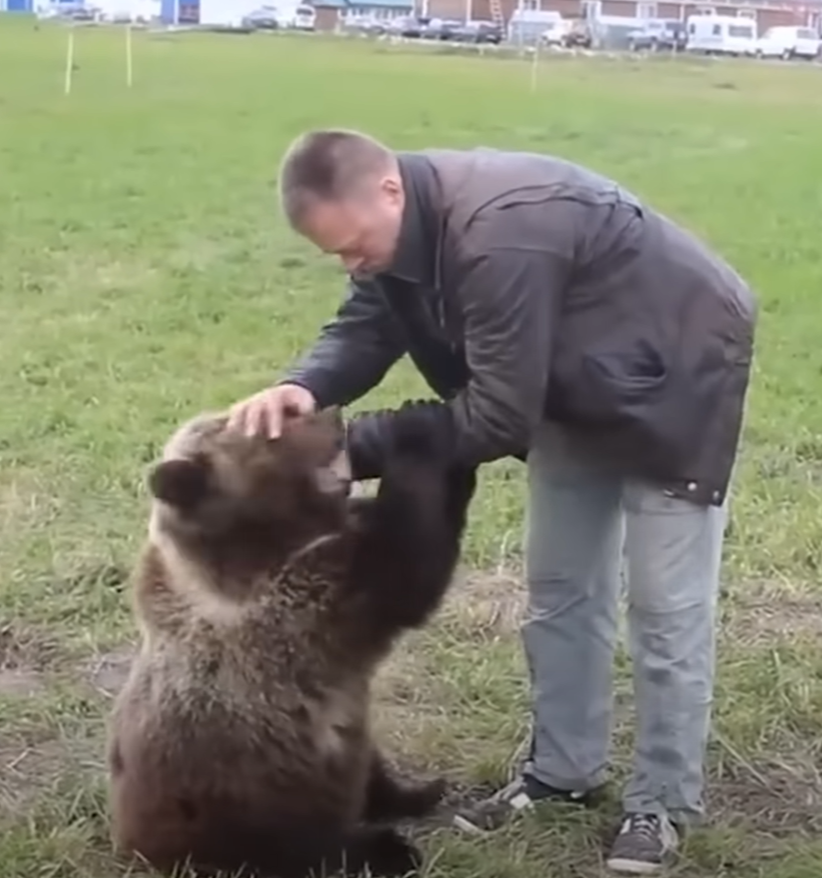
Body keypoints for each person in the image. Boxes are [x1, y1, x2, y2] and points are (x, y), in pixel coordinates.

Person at [227, 129, 757, 875]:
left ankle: (662, 803)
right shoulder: (398, 231)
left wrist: (351, 453)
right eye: (336, 256)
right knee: (560, 590)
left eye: (354, 246)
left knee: (666, 610)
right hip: (571, 383)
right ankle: (563, 773)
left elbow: (498, 416)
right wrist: (304, 387)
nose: (352, 265)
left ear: (388, 191)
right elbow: (370, 319)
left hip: (675, 376)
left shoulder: (503, 232)